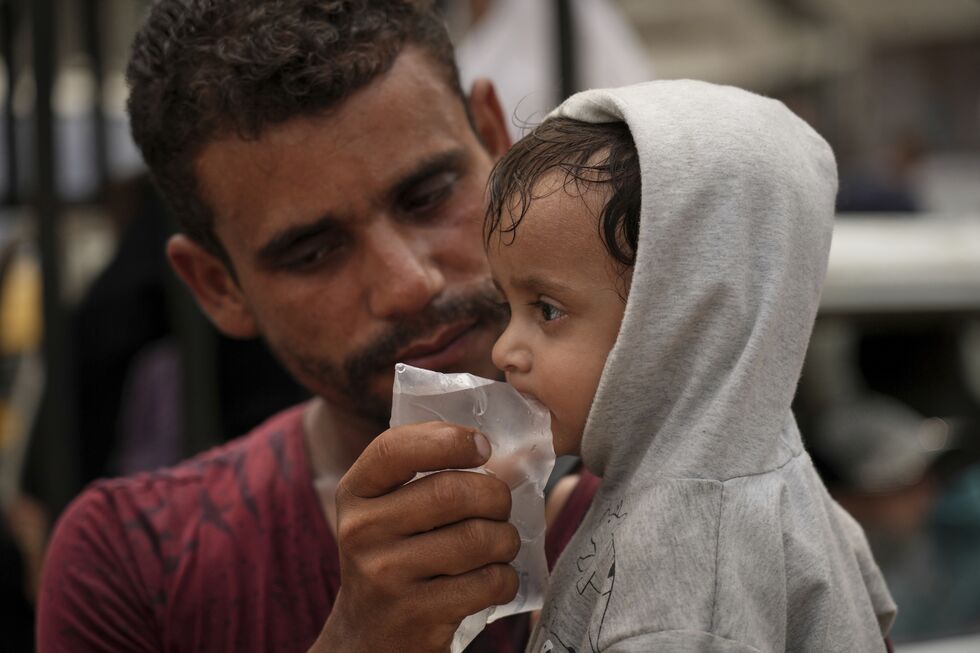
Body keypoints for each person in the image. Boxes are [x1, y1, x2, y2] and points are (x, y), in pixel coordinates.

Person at [36, 2, 600, 651]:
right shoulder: (133, 567)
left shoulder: (680, 471)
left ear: (498, 140)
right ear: (217, 287)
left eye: (428, 196)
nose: (407, 284)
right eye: (312, 253)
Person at [483, 80, 898, 651]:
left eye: (547, 310)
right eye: (505, 307)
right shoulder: (756, 470)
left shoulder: (686, 574)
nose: (503, 350)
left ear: (678, 320)